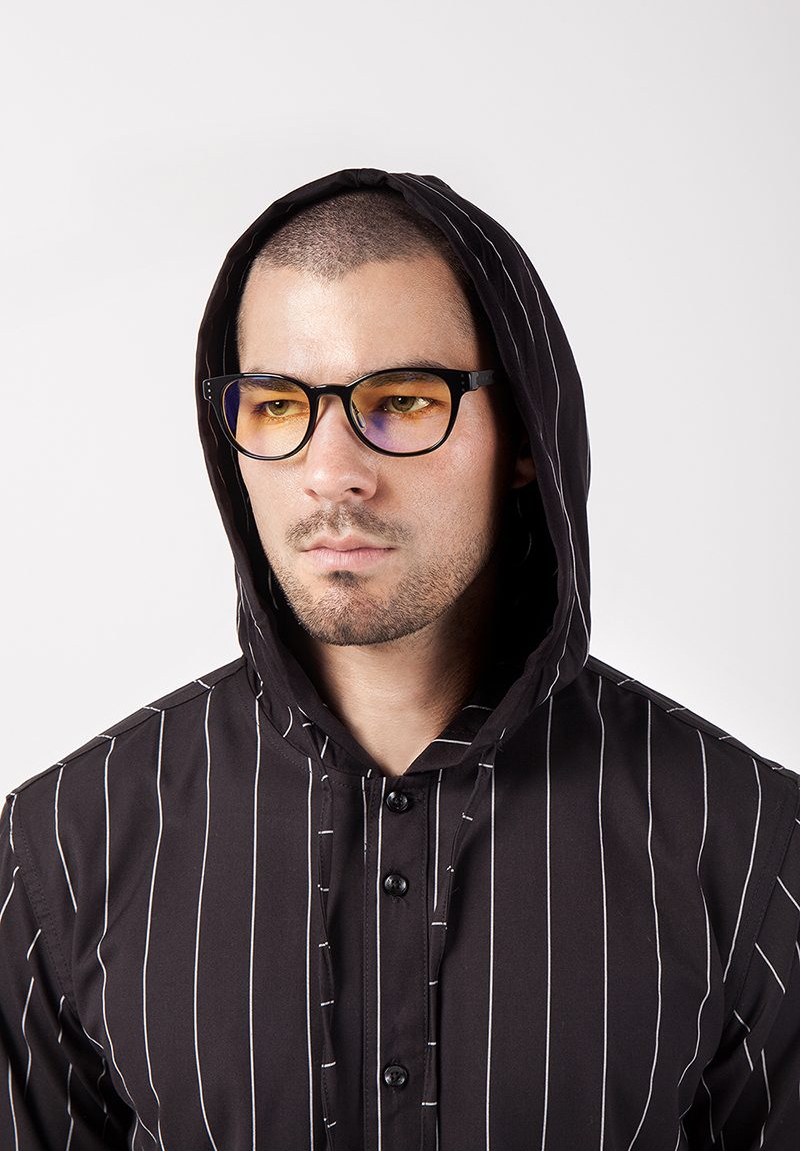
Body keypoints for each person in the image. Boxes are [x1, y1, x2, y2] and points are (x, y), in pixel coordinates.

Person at [1, 167, 798, 1149]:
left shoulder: (748, 844)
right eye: (277, 405)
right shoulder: (65, 847)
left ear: (523, 434)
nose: (332, 472)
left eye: (404, 400)